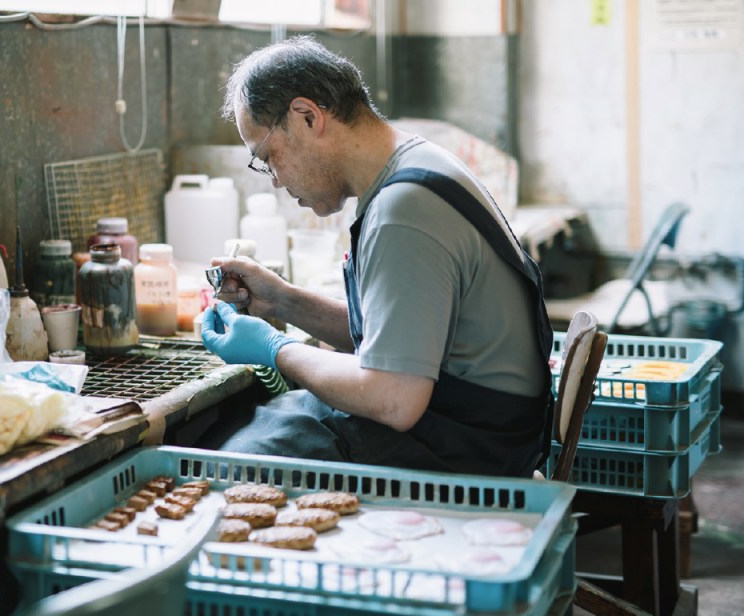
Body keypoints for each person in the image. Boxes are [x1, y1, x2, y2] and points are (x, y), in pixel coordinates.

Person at [197, 35, 553, 478]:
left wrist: (275, 349)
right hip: (468, 425)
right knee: (248, 427)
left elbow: (394, 398)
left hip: (464, 449)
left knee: (221, 464)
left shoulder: (404, 210)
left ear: (307, 117)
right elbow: (399, 340)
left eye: (268, 157)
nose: (274, 179)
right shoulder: (415, 163)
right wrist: (284, 301)